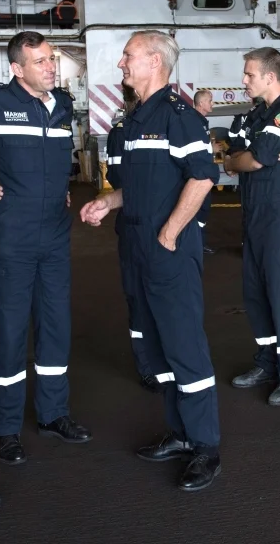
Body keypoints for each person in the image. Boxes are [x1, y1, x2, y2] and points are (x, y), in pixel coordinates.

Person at [80, 30, 222, 491]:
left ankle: (205, 446)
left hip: (167, 250)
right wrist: (108, 202)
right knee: (156, 347)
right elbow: (142, 186)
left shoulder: (180, 117)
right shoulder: (134, 120)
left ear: (155, 62)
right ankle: (180, 433)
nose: (121, 63)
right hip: (135, 248)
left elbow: (202, 178)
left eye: (128, 56)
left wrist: (170, 231)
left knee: (183, 344)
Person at [0, 31, 91, 467]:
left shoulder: (62, 104)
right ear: (17, 68)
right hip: (10, 236)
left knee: (55, 326)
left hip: (54, 233)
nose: (51, 68)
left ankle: (53, 414)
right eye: (41, 62)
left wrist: (59, 190)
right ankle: (4, 427)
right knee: (8, 332)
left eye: (52, 60)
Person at [224, 47, 280, 407]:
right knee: (256, 296)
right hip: (255, 218)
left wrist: (239, 160)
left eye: (249, 75)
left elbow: (257, 158)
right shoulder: (258, 114)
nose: (244, 81)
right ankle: (267, 363)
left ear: (269, 77)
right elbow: (235, 151)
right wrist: (237, 158)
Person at [105, 103, 162, 395]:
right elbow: (117, 179)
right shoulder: (121, 133)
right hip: (134, 225)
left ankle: (167, 361)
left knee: (166, 298)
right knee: (138, 298)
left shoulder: (169, 125)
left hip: (165, 226)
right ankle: (147, 366)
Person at [193, 89, 216, 255]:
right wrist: (211, 148)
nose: (212, 103)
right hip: (198, 174)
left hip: (204, 172)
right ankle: (195, 245)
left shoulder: (201, 121)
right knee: (198, 209)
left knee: (203, 209)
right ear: (201, 103)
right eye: (210, 100)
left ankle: (198, 243)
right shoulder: (194, 121)